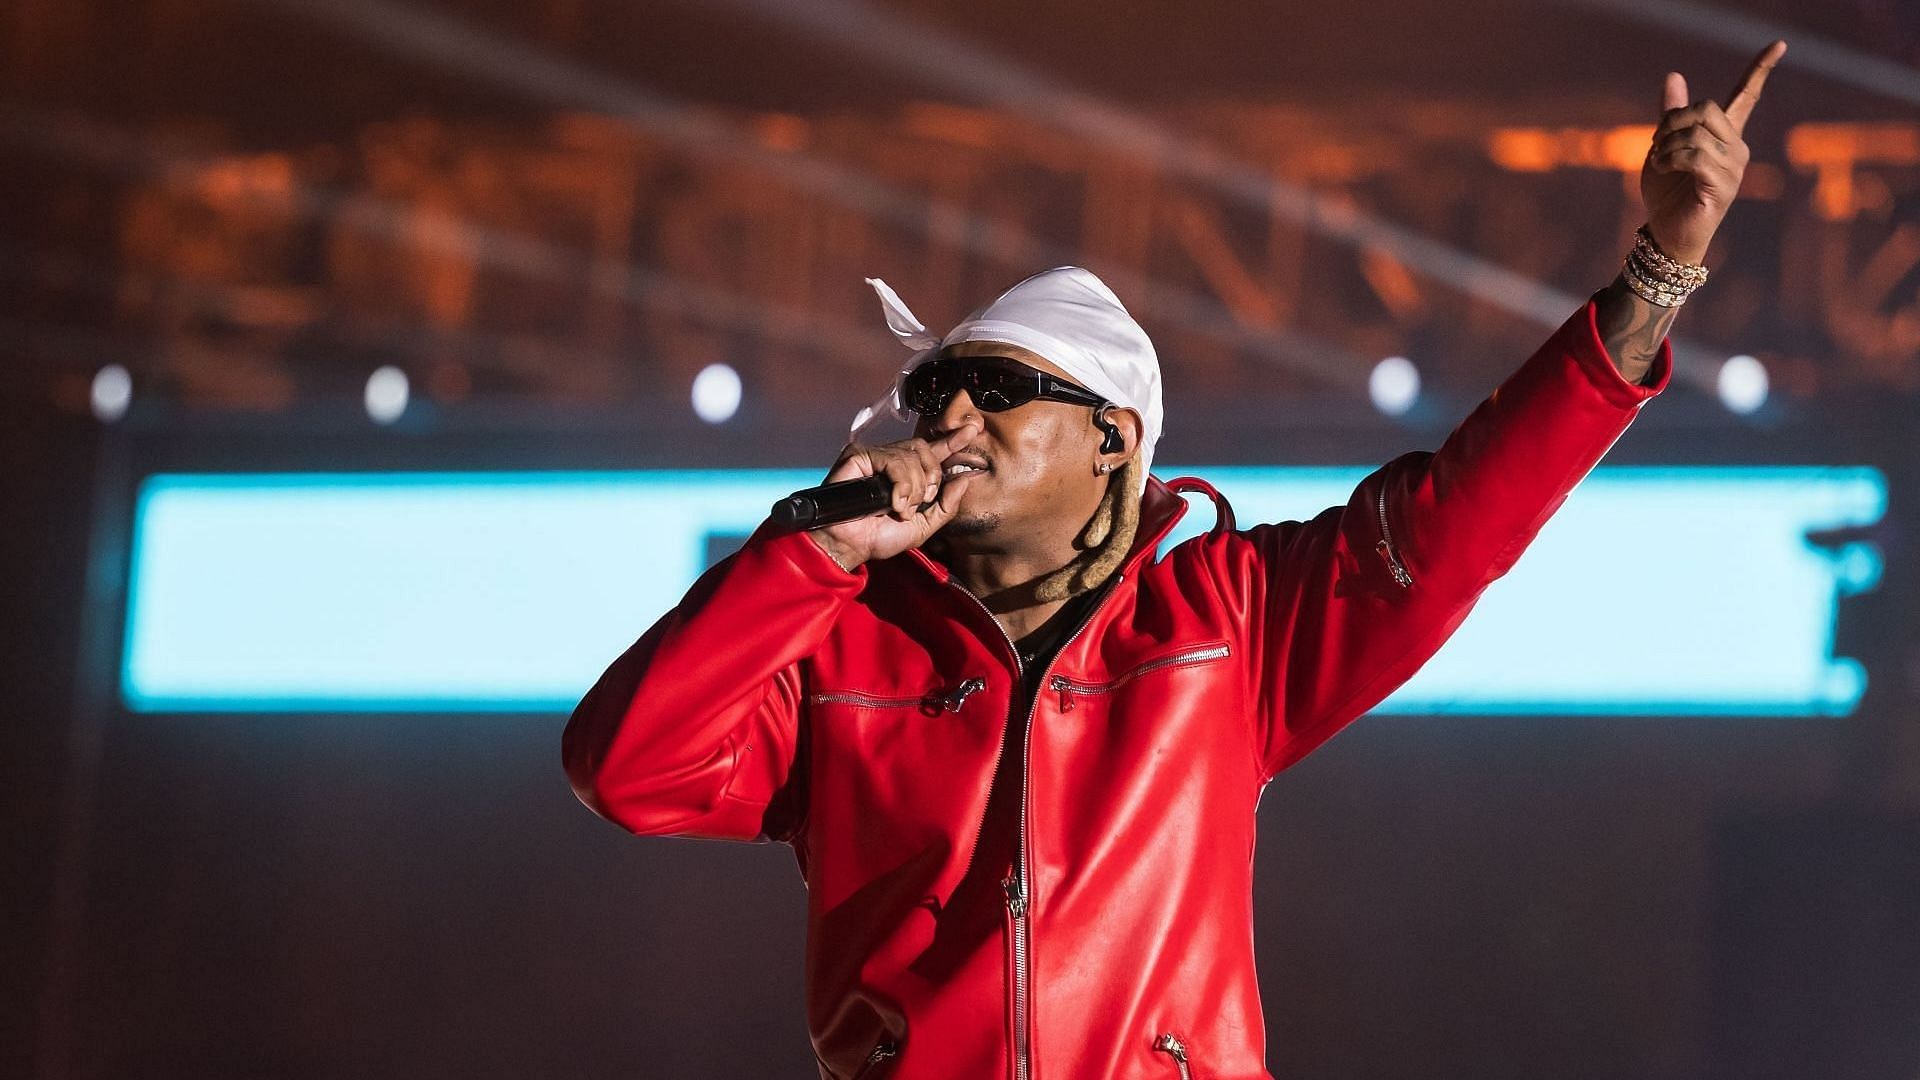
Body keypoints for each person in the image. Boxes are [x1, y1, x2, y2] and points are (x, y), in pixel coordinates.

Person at [562, 42, 1786, 1080]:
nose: (948, 419)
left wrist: (1657, 272)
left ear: (1116, 441)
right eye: (931, 391)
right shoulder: (840, 647)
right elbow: (625, 769)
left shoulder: (1228, 623)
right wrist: (812, 550)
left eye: (998, 390)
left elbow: (1462, 516)